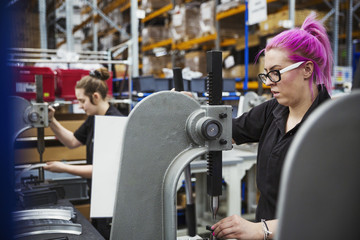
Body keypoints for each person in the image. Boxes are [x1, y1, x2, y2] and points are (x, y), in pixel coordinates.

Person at [211, 13, 333, 239]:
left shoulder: (332, 127)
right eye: (266, 74)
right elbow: (224, 131)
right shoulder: (272, 110)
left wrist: (260, 229)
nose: (268, 83)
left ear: (307, 69)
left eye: (276, 73)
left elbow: (328, 210)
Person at [44, 67, 122, 239]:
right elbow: (72, 142)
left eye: (81, 101)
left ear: (95, 96)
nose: (79, 106)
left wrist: (64, 167)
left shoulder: (114, 122)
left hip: (112, 201)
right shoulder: (94, 119)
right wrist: (51, 120)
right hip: (98, 194)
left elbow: (104, 170)